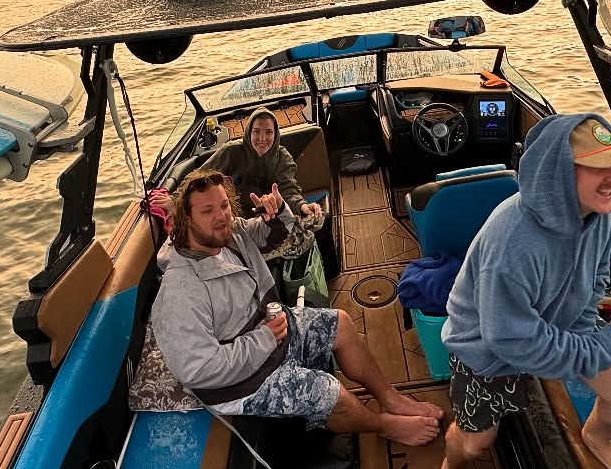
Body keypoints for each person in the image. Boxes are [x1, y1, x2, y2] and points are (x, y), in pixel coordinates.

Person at [429, 113, 611, 469]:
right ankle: (451, 468)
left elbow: (597, 276)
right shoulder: (512, 243)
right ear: (559, 169)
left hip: (560, 329)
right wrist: (590, 351)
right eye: (599, 166)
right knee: (476, 443)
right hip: (488, 350)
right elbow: (510, 339)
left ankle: (598, 437)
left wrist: (591, 329)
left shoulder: (597, 213)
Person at [151, 168, 443, 444]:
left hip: (272, 331)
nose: (221, 216)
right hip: (243, 382)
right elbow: (199, 369)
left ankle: (390, 398)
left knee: (340, 323)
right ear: (186, 219)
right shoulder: (180, 290)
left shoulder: (230, 234)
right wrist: (264, 339)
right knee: (331, 395)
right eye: (207, 211)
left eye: (224, 206)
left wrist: (276, 213)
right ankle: (385, 426)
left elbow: (273, 235)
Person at [148, 107, 324, 230]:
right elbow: (198, 177)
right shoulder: (232, 151)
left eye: (268, 132)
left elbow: (287, 190)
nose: (262, 138)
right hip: (233, 219)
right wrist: (176, 201)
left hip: (268, 217)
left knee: (319, 222)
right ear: (249, 132)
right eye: (256, 132)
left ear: (275, 134)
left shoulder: (282, 157)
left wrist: (302, 206)